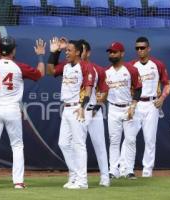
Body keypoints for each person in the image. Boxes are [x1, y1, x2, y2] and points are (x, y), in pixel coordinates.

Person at [0, 36, 46, 189]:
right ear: (13, 50)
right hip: (11, 109)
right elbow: (40, 74)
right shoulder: (18, 66)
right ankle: (18, 182)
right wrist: (40, 55)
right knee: (17, 145)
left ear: (0, 49)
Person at [47, 38, 95, 189]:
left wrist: (83, 106)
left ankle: (82, 181)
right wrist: (54, 53)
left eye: (69, 50)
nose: (66, 52)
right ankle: (74, 176)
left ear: (78, 52)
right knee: (63, 143)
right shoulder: (66, 66)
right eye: (66, 50)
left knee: (79, 144)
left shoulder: (85, 66)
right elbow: (50, 71)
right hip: (67, 108)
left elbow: (88, 88)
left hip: (78, 108)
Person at [129, 37, 170, 177]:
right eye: (137, 48)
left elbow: (167, 84)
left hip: (152, 104)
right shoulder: (131, 65)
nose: (139, 50)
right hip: (135, 103)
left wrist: (162, 97)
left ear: (149, 49)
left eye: (142, 48)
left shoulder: (158, 64)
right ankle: (125, 169)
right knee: (129, 137)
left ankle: (147, 172)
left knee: (150, 139)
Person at [104, 42, 142, 180]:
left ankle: (129, 170)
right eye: (110, 52)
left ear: (122, 53)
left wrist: (133, 105)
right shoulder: (106, 72)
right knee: (114, 141)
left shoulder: (131, 70)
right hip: (113, 108)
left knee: (131, 139)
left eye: (115, 52)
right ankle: (113, 170)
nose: (112, 54)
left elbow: (138, 88)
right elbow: (102, 91)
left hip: (128, 107)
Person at [78, 39, 110, 187]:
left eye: (82, 49)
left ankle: (105, 177)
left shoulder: (97, 69)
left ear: (88, 52)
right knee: (76, 144)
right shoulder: (71, 68)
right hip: (77, 110)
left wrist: (96, 108)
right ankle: (78, 178)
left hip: (92, 109)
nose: (80, 52)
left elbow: (104, 90)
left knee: (99, 144)